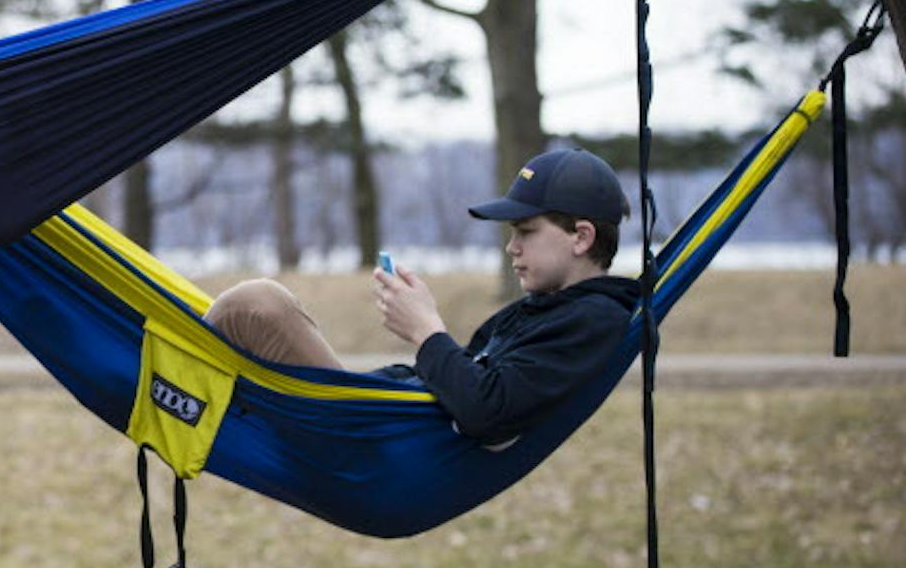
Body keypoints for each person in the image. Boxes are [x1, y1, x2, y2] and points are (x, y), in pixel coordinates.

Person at [204, 148, 642, 445]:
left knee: (257, 305)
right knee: (245, 313)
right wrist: (378, 382)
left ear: (581, 237)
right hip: (376, 429)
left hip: (373, 457)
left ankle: (165, 396)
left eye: (526, 232)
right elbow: (461, 379)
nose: (512, 247)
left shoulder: (593, 320)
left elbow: (486, 412)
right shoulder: (541, 311)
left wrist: (426, 330)